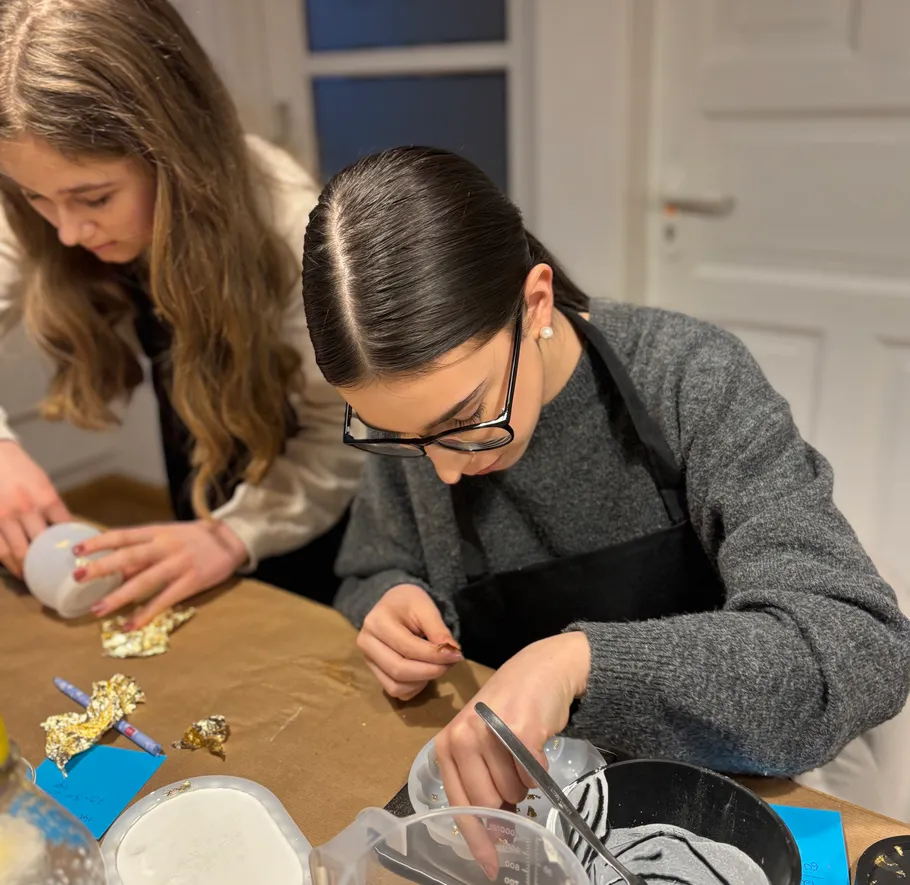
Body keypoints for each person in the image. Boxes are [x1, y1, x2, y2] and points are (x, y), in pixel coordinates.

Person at [300, 146, 910, 812]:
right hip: (530, 796)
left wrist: (578, 664)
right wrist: (388, 603)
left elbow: (859, 649)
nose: (442, 468)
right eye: (399, 436)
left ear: (535, 305)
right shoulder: (425, 423)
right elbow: (368, 568)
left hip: (722, 781)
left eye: (468, 417)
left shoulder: (690, 379)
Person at [0, 0, 362, 625]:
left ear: (174, 156)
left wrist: (234, 535)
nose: (64, 232)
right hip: (204, 469)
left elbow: (348, 432)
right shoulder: (57, 194)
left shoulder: (293, 235)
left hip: (321, 507)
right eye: (36, 199)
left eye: (94, 198)